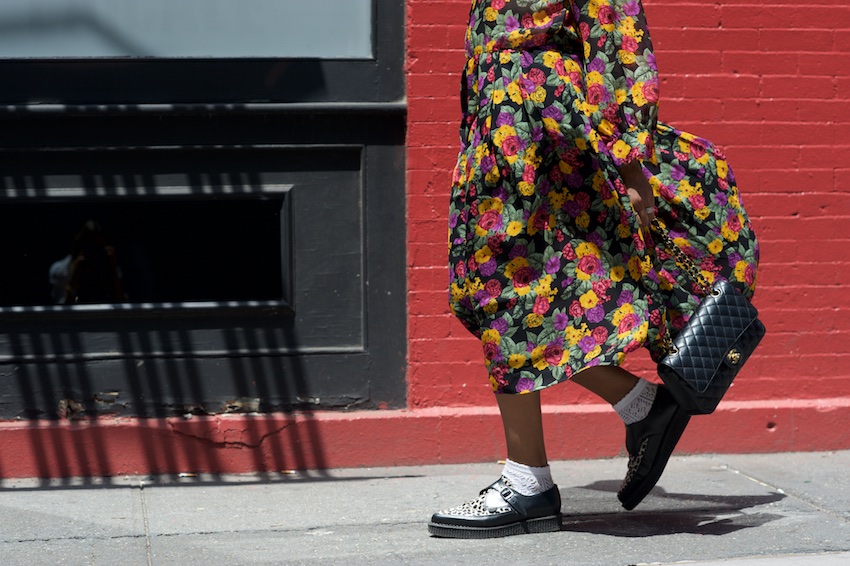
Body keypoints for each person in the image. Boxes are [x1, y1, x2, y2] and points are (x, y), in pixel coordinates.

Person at [429, 0, 759, 539]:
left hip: (546, 136)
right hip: (504, 133)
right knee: (507, 295)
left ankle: (529, 482)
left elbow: (618, 35)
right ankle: (639, 406)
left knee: (508, 292)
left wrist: (630, 159)